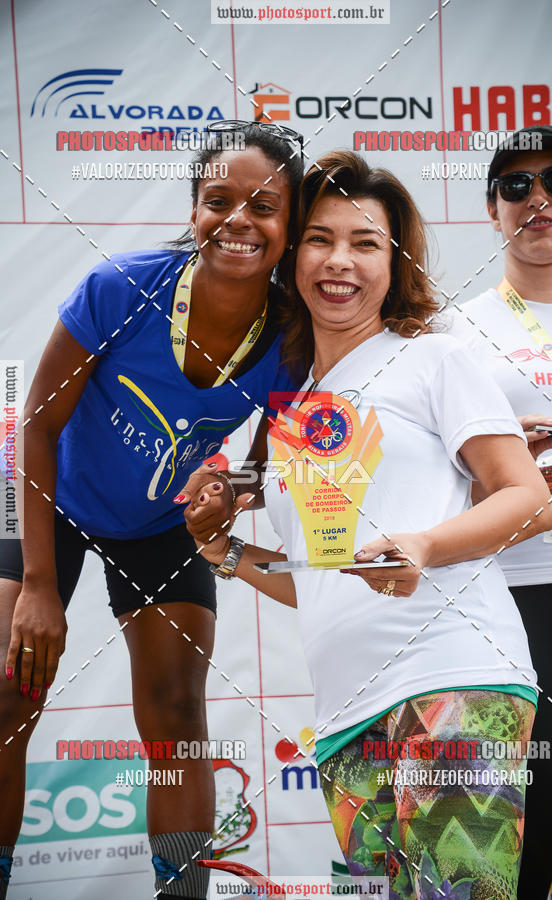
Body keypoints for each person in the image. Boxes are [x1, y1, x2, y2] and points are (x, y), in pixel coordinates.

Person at [185, 151, 552, 899]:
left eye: (366, 243)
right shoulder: (295, 415)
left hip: (453, 680)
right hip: (347, 718)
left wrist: (423, 543)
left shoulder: (433, 359)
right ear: (292, 257)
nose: (340, 262)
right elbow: (325, 585)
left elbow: (529, 500)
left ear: (396, 261)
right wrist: (220, 548)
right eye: (320, 239)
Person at [0, 121, 303, 900]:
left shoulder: (292, 338)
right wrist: (37, 584)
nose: (238, 220)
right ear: (194, 210)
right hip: (48, 498)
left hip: (157, 522)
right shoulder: (122, 289)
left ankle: (182, 894)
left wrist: (227, 492)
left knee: (175, 715)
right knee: (9, 693)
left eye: (264, 207)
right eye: (218, 200)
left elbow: (266, 466)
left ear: (290, 226)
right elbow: (34, 428)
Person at [447, 125, 552, 898]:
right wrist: (504, 476)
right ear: (492, 211)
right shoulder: (456, 333)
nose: (538, 199)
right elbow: (427, 488)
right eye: (516, 186)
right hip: (507, 600)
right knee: (523, 824)